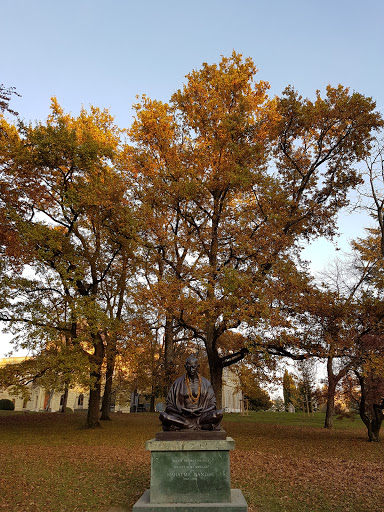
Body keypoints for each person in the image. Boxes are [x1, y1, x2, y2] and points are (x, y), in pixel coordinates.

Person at [159, 355, 223, 431]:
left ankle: (185, 426)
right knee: (163, 416)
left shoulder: (206, 383)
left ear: (198, 366)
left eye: (193, 367)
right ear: (185, 367)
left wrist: (201, 411)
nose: (191, 369)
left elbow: (213, 404)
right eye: (189, 367)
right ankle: (191, 425)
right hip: (182, 416)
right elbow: (169, 405)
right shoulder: (177, 383)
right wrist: (181, 411)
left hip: (201, 416)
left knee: (218, 414)